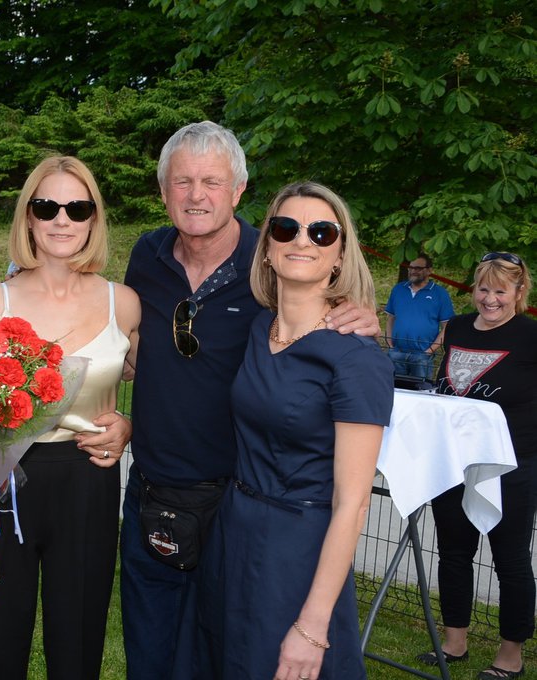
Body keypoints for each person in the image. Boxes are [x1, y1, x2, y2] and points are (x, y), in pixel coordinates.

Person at [120, 121, 381, 680]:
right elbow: (131, 350)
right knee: (154, 658)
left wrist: (361, 315)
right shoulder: (146, 257)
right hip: (152, 492)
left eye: (212, 181)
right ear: (162, 189)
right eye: (182, 181)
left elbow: (321, 323)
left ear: (239, 191)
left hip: (231, 508)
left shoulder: (272, 266)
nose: (196, 195)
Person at [195, 182, 393, 679]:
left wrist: (313, 624)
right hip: (233, 532)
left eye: (321, 232)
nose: (302, 241)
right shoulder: (258, 330)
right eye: (286, 228)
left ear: (339, 255)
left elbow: (354, 502)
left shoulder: (357, 358)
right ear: (266, 248)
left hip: (298, 551)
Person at [0, 155, 140, 680]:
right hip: (6, 483)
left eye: (77, 208)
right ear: (28, 217)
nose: (62, 219)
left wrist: (129, 425)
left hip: (90, 483)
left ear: (93, 220)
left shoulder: (123, 304)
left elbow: (160, 388)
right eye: (47, 206)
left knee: (78, 646)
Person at [417, 252, 536, 680]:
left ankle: (510, 654)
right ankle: (455, 641)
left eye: (500, 291)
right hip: (454, 461)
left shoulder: (530, 335)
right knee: (452, 552)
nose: (489, 299)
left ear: (519, 293)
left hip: (511, 466)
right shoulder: (460, 328)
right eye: (483, 289)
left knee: (511, 561)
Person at [385, 253, 454, 379]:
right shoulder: (398, 289)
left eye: (418, 268)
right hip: (396, 352)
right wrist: (390, 344)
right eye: (410, 268)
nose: (413, 271)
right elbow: (391, 318)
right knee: (393, 391)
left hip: (422, 355)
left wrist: (430, 350)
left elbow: (447, 326)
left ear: (429, 271)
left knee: (421, 391)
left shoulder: (440, 294)